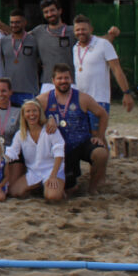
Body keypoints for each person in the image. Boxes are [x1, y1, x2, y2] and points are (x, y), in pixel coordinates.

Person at [36, 64, 110, 194]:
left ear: (71, 79)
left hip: (81, 143)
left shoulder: (82, 98)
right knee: (70, 190)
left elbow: (102, 114)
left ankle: (92, 188)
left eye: (66, 78)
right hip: (59, 148)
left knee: (101, 154)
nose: (63, 81)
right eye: (59, 78)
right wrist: (47, 120)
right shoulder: (43, 99)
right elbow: (28, 116)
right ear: (53, 80)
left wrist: (99, 136)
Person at [31, 0, 118, 94]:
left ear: (60, 11)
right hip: (48, 83)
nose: (50, 14)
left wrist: (112, 34)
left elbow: (98, 41)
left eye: (52, 10)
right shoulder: (38, 31)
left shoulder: (74, 31)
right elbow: (20, 37)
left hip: (70, 82)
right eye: (46, 12)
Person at [72, 14, 136, 117]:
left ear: (91, 29)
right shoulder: (75, 48)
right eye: (77, 30)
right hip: (81, 101)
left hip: (99, 100)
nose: (80, 32)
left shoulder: (103, 44)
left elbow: (116, 69)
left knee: (98, 128)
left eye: (84, 29)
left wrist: (126, 93)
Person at [5, 99, 65, 202]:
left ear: (40, 113)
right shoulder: (20, 134)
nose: (31, 114)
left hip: (52, 170)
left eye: (34, 111)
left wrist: (53, 175)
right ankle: (41, 188)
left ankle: (59, 190)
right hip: (34, 172)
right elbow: (12, 152)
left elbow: (59, 153)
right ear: (24, 115)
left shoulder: (50, 130)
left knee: (52, 197)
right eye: (28, 111)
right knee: (14, 192)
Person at [0, 10, 39, 104]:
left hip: (29, 90)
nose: (14, 25)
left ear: (25, 22)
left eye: (17, 22)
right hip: (9, 91)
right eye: (12, 22)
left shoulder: (34, 40)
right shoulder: (4, 41)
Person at [0, 78, 21, 146]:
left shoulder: (18, 111)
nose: (0, 94)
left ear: (10, 92)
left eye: (4, 91)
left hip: (12, 150)